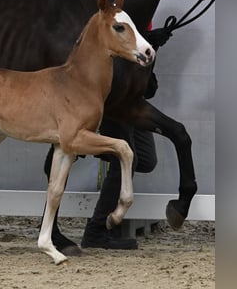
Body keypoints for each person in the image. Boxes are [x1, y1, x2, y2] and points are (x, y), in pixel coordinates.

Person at [44, 23, 173, 251]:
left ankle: (85, 146)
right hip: (113, 101)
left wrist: (152, 46)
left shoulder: (143, 24)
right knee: (123, 159)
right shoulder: (119, 22)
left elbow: (146, 81)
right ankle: (96, 231)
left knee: (146, 160)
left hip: (131, 101)